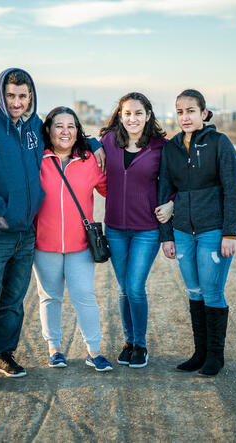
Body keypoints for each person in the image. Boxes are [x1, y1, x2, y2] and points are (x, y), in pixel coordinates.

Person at [0, 67, 106, 392]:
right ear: (1, 93)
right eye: (11, 95)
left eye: (22, 96)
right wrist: (3, 210)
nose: (16, 102)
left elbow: (65, 134)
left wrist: (94, 140)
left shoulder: (32, 128)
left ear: (31, 97)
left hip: (26, 233)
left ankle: (3, 355)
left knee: (13, 299)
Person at [156, 89, 236, 377]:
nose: (185, 116)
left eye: (191, 111)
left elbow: (233, 190)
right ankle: (200, 353)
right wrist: (166, 235)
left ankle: (215, 356)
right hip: (182, 232)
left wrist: (230, 233)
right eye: (180, 111)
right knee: (194, 291)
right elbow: (164, 191)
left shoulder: (219, 143)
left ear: (204, 114)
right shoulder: (171, 148)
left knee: (212, 291)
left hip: (212, 231)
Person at [33, 106, 113, 371]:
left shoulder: (90, 160)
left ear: (78, 131)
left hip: (81, 245)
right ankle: (54, 349)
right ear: (48, 130)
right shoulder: (37, 159)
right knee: (50, 297)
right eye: (59, 126)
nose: (65, 131)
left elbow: (113, 189)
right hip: (45, 245)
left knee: (85, 295)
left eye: (71, 126)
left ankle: (94, 350)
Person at [99, 92, 170, 368]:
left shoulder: (161, 147)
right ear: (120, 115)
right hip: (115, 228)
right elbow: (83, 142)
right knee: (123, 289)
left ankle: (140, 345)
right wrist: (94, 143)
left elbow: (176, 181)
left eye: (138, 113)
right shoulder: (108, 142)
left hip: (146, 229)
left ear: (148, 115)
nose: (133, 118)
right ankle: (128, 342)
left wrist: (172, 205)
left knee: (135, 286)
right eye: (127, 113)